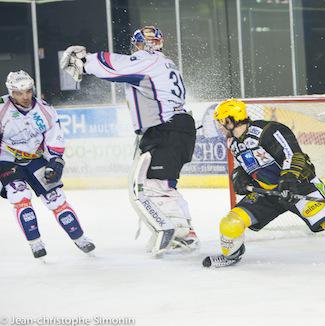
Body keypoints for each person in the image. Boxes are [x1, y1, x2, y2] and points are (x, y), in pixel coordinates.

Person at [202, 99, 325, 268]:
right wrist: (240, 176)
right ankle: (232, 256)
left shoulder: (268, 131)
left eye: (222, 121)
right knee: (230, 223)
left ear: (233, 119)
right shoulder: (233, 142)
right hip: (269, 194)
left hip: (300, 186)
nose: (220, 125)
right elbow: (248, 165)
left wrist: (288, 183)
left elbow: (294, 155)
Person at [59, 26, 198, 256]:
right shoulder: (167, 63)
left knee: (151, 187)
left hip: (166, 129)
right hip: (179, 128)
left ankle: (177, 232)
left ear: (139, 44)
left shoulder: (147, 60)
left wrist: (85, 60)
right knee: (165, 185)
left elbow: (113, 66)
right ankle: (185, 235)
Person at [0, 70, 95, 259]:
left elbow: (55, 138)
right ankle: (35, 243)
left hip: (35, 158)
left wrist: (55, 161)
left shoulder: (45, 109)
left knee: (56, 198)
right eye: (19, 93)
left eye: (27, 91)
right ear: (11, 92)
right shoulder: (2, 110)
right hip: (7, 159)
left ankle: (80, 238)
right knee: (20, 196)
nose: (25, 97)